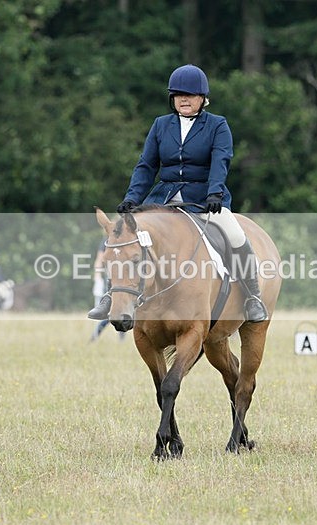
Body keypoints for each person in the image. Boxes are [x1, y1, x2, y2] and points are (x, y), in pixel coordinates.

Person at [88, 64, 268, 323]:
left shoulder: (217, 125)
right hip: (163, 199)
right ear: (172, 98)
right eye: (178, 95)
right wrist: (132, 198)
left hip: (205, 198)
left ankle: (253, 297)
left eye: (191, 95)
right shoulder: (161, 125)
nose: (184, 99)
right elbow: (147, 165)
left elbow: (221, 160)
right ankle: (110, 295)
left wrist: (215, 192)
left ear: (202, 99)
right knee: (123, 238)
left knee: (234, 233)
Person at [90, 237, 125, 342]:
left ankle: (96, 336)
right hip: (111, 279)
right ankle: (96, 335)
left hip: (125, 279)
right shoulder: (106, 242)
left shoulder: (126, 240)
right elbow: (99, 260)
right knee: (114, 311)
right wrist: (97, 275)